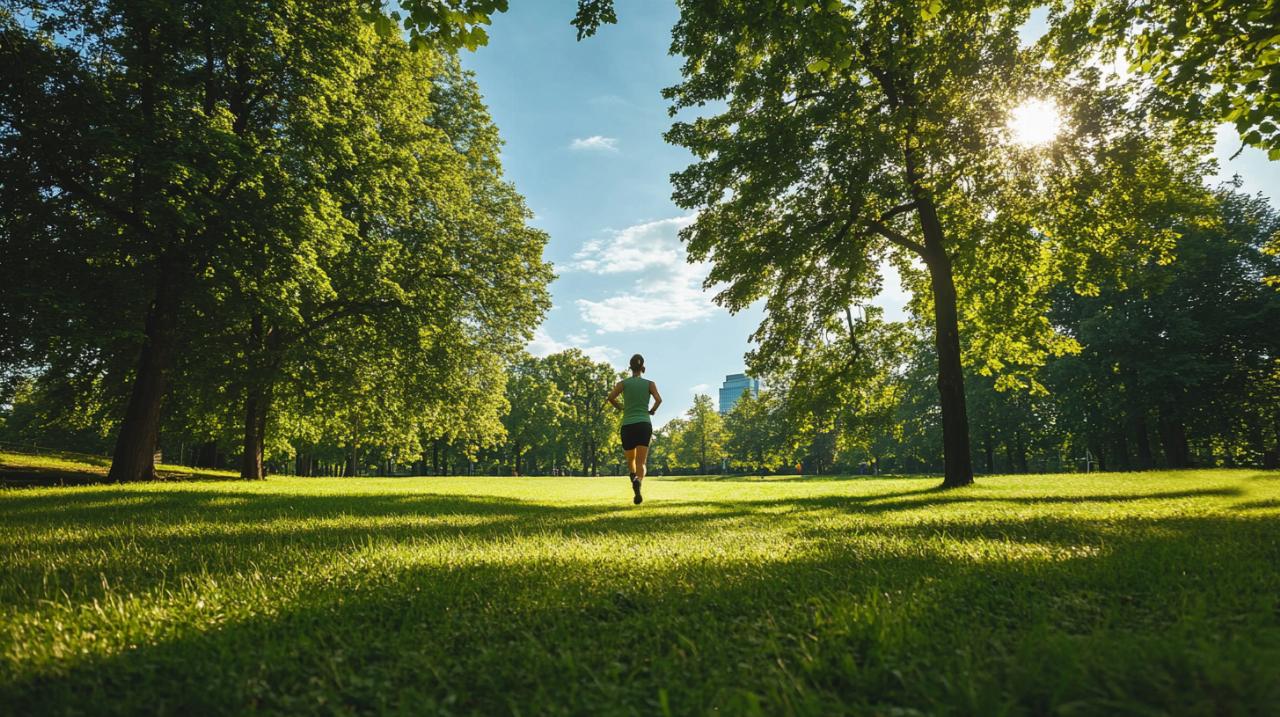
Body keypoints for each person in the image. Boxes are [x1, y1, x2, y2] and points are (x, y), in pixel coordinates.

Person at [605, 353, 661, 504]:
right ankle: (638, 481)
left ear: (630, 368)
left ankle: (633, 476)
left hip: (628, 425)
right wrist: (652, 410)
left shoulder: (622, 384)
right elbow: (658, 399)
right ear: (643, 368)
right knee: (641, 463)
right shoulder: (650, 383)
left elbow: (611, 398)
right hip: (644, 424)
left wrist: (620, 407)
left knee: (631, 459)